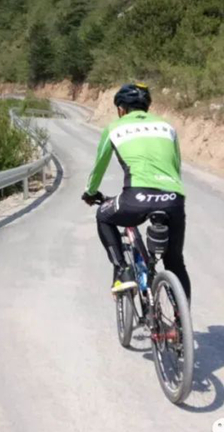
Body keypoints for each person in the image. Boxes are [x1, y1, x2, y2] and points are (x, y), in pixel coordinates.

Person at [81, 83, 191, 300]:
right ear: (146, 107)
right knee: (175, 261)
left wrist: (90, 192)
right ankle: (182, 322)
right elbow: (176, 166)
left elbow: (99, 168)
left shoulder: (115, 127)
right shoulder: (167, 127)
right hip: (173, 198)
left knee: (104, 215)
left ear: (121, 109)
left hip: (136, 198)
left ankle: (123, 269)